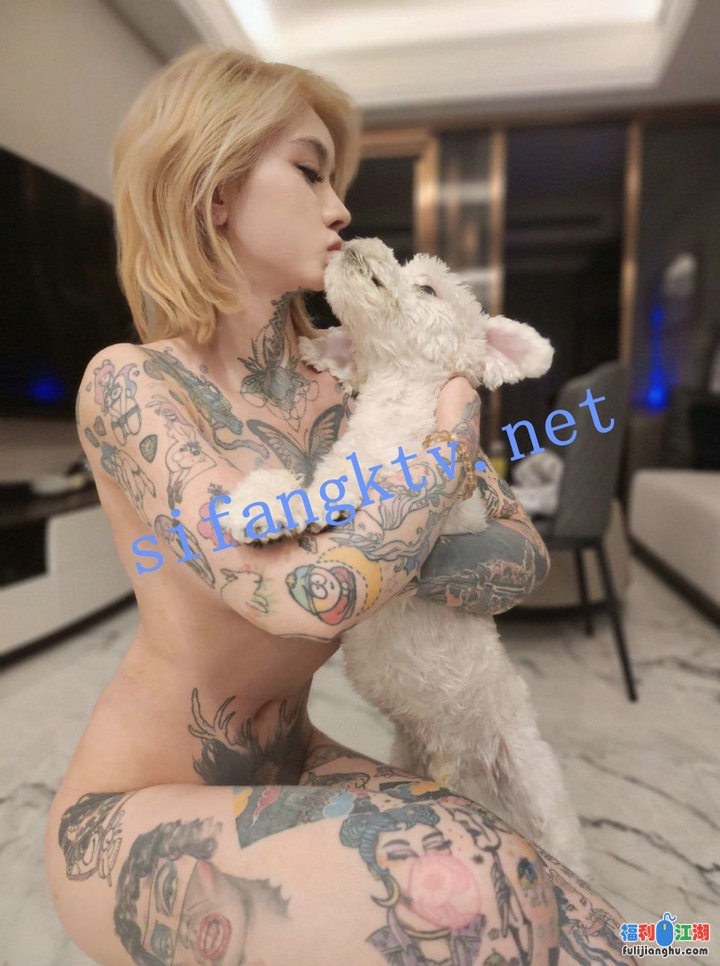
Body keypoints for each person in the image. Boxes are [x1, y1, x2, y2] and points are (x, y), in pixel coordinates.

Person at [45, 45, 635, 965]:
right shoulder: (132, 385)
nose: (341, 208)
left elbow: (520, 557)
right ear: (215, 191)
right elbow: (307, 596)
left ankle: (688, 944)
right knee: (474, 896)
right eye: (310, 171)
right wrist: (446, 449)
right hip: (139, 809)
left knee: (545, 881)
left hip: (295, 761)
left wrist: (404, 517)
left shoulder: (349, 386)